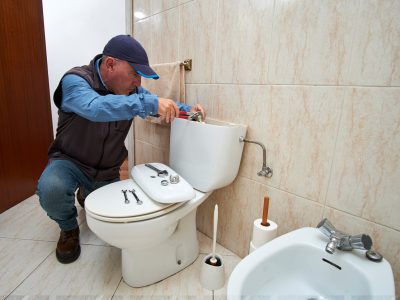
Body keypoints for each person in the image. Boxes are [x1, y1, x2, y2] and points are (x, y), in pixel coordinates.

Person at [37, 35, 205, 264]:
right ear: (110, 64)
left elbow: (158, 103)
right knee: (51, 189)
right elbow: (94, 108)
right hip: (70, 162)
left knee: (123, 218)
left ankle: (87, 193)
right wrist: (149, 104)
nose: (138, 82)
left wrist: (188, 111)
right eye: (135, 73)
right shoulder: (76, 81)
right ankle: (68, 229)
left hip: (107, 169)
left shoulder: (133, 92)